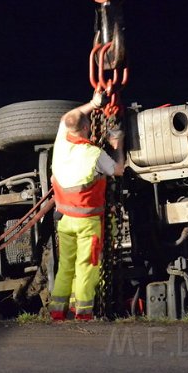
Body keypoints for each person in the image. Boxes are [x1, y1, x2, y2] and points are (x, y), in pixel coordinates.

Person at [48, 92, 124, 321]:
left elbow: (68, 118)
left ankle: (57, 312)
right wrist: (117, 145)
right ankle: (83, 313)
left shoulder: (61, 143)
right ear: (85, 128)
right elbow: (118, 170)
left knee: (66, 267)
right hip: (87, 224)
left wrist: (93, 104)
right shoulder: (94, 154)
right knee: (87, 266)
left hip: (64, 221)